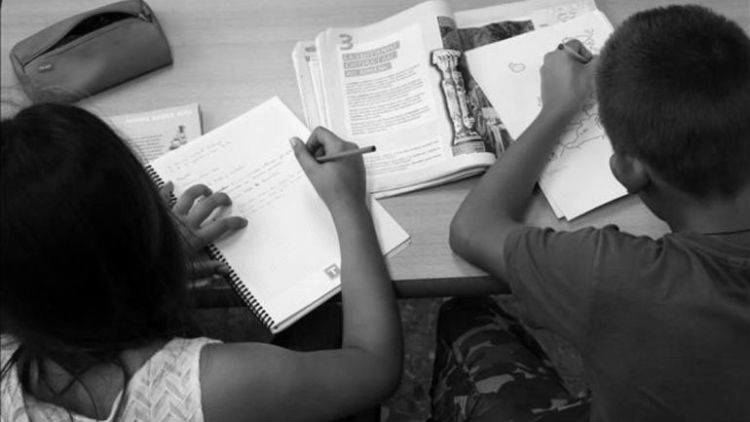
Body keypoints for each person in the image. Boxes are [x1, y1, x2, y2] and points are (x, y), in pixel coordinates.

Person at [436, 4, 750, 421]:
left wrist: (556, 109)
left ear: (627, 171)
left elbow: (472, 228)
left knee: (463, 314)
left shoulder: (622, 277)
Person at [0, 103, 403, 421]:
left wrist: (147, 256)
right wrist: (349, 204)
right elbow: (375, 366)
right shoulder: (222, 384)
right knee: (322, 319)